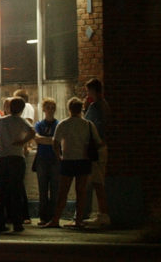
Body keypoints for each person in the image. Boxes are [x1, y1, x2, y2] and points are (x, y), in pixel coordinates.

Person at [43, 97, 102, 229]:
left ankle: (56, 219)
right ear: (81, 109)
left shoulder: (63, 124)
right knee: (81, 192)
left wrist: (59, 156)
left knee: (63, 192)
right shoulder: (88, 124)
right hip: (84, 161)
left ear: (69, 109)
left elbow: (55, 143)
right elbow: (98, 142)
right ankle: (78, 220)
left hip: (68, 160)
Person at [0, 98, 35, 233]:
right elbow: (32, 132)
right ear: (22, 109)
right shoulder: (21, 121)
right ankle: (17, 223)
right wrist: (22, 142)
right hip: (16, 157)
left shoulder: (2, 121)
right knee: (16, 191)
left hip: (2, 158)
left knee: (1, 191)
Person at [82, 78, 111, 227]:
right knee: (98, 181)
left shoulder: (94, 106)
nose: (87, 94)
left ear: (93, 90)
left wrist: (85, 108)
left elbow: (86, 124)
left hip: (96, 148)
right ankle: (99, 212)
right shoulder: (105, 105)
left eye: (88, 91)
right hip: (102, 147)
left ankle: (102, 214)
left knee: (97, 182)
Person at [33, 98, 61, 226]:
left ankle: (54, 217)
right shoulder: (39, 124)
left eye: (52, 108)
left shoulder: (58, 124)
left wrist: (46, 140)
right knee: (42, 189)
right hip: (42, 159)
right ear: (43, 109)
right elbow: (37, 139)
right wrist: (52, 140)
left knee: (55, 189)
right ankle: (43, 217)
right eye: (48, 107)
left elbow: (59, 140)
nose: (50, 110)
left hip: (55, 158)